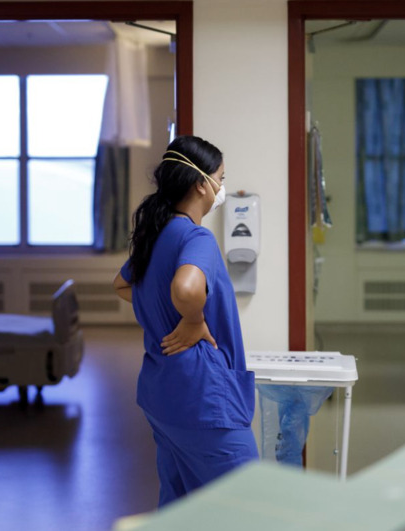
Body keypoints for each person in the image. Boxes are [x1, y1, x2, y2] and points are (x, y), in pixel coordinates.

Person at [113, 135, 258, 507]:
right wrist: (192, 320)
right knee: (249, 508)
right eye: (220, 179)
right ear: (201, 183)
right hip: (203, 399)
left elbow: (122, 284)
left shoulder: (156, 234)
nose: (220, 189)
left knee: (181, 509)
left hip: (164, 398)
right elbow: (187, 288)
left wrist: (161, 307)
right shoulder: (197, 237)